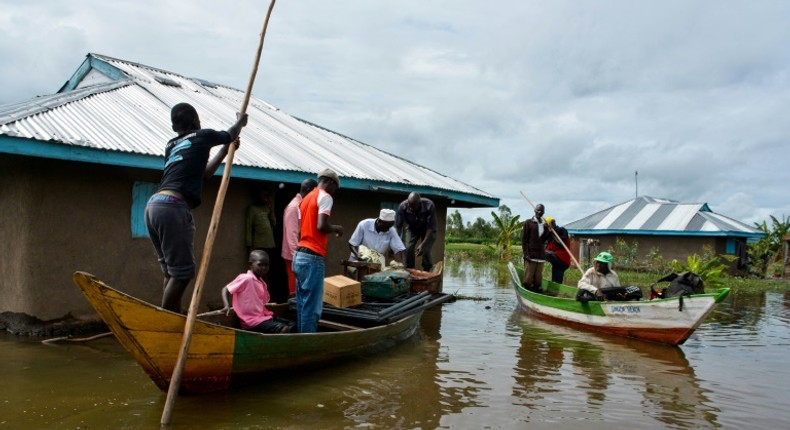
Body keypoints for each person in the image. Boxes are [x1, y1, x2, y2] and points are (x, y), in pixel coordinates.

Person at [145, 103, 247, 312]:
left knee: (172, 273)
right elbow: (229, 134)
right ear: (195, 121)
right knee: (183, 274)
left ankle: (172, 315)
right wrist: (240, 122)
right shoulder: (202, 135)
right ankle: (167, 322)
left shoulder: (171, 144)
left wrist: (226, 151)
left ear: (175, 128)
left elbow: (204, 174)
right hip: (173, 208)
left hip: (154, 206)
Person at [292, 169, 343, 333]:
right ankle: (307, 343)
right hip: (312, 257)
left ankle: (300, 340)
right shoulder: (326, 197)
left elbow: (303, 228)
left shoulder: (305, 198)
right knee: (312, 307)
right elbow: (321, 226)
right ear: (330, 183)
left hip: (299, 255)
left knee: (302, 303)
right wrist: (336, 228)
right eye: (335, 188)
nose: (334, 191)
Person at [221, 250, 294, 333]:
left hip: (262, 317)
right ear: (250, 265)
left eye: (266, 265)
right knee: (284, 329)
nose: (264, 268)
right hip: (251, 322)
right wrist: (226, 305)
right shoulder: (246, 278)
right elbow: (225, 289)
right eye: (260, 265)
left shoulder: (260, 281)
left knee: (292, 325)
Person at [281, 178, 318, 298]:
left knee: (303, 289)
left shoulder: (302, 205)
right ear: (308, 190)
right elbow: (291, 236)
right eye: (314, 193)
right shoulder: (294, 208)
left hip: (302, 255)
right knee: (295, 290)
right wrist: (297, 258)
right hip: (294, 257)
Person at [396, 192, 438, 271]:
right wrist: (396, 242)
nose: (411, 208)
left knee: (425, 250)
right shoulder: (402, 207)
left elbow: (431, 227)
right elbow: (398, 226)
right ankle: (410, 269)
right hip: (412, 228)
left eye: (413, 206)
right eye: (410, 205)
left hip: (428, 230)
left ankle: (427, 269)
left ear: (419, 204)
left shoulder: (429, 205)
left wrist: (423, 244)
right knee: (408, 248)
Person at [521, 203, 550, 291]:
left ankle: (536, 290)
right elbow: (524, 239)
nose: (539, 211)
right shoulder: (529, 223)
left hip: (540, 255)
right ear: (534, 210)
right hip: (531, 255)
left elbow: (544, 240)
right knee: (528, 278)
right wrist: (526, 254)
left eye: (541, 210)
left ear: (543, 212)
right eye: (538, 209)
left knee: (538, 278)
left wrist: (549, 231)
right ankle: (527, 291)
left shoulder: (545, 225)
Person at [246, 186, 276, 256]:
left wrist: (271, 211)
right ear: (258, 196)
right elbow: (249, 228)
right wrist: (249, 246)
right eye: (264, 195)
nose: (266, 198)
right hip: (259, 244)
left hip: (269, 244)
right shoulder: (252, 209)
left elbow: (274, 223)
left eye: (267, 195)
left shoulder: (267, 208)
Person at [544, 217, 571, 284]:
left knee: (543, 253)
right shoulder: (550, 234)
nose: (547, 228)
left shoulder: (562, 230)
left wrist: (553, 232)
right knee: (556, 282)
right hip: (557, 263)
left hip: (562, 259)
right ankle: (555, 291)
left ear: (552, 224)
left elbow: (562, 242)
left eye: (547, 226)